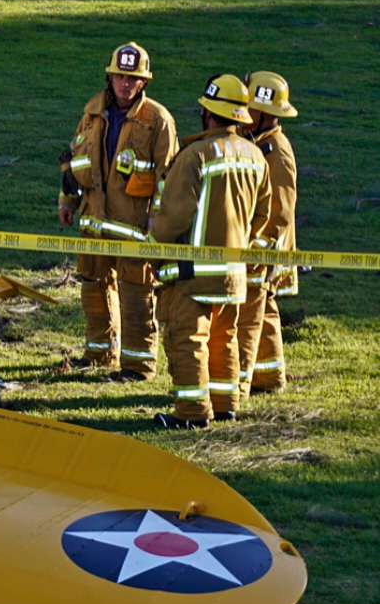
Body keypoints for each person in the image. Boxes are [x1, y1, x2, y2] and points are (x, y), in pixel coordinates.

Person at [148, 75, 270, 429]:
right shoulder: (256, 157)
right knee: (224, 340)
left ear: (207, 113)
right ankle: (225, 405)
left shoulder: (194, 156)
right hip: (234, 274)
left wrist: (155, 251)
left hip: (192, 274)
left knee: (188, 341)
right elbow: (262, 216)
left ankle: (191, 413)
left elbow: (174, 217)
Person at [59, 43, 177, 379]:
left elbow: (167, 179)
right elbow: (74, 163)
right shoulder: (92, 113)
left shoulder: (158, 121)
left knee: (136, 293)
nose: (125, 84)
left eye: (133, 78)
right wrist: (67, 202)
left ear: (144, 83)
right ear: (109, 77)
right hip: (94, 221)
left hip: (135, 228)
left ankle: (138, 366)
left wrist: (158, 220)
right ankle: (98, 354)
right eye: (119, 76)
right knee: (93, 286)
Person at [235, 72, 299, 395]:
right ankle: (270, 378)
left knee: (248, 311)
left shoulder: (277, 151)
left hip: (263, 250)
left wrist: (259, 250)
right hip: (258, 247)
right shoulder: (258, 143)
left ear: (263, 112)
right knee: (265, 308)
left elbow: (282, 210)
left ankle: (239, 382)